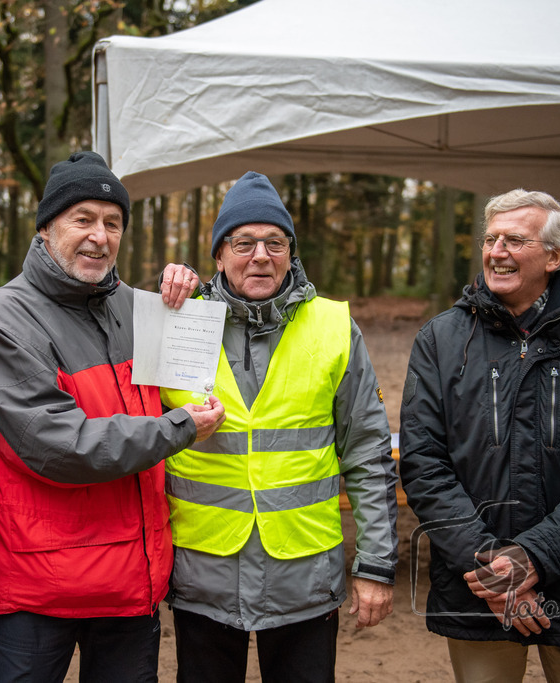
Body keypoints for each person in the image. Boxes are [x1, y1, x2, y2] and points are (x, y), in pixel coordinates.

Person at [0, 151, 225, 682]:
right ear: (46, 229)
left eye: (112, 223)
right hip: (36, 588)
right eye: (82, 219)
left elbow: (191, 377)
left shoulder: (137, 308)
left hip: (131, 583)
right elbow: (56, 444)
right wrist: (180, 428)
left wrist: (192, 293)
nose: (99, 236)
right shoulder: (8, 313)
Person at [398, 189, 560, 682]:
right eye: (490, 239)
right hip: (479, 585)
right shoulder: (441, 339)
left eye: (515, 240)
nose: (497, 251)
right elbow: (424, 464)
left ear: (556, 257)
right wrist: (495, 570)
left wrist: (537, 556)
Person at [157, 171, 399, 682]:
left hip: (304, 578)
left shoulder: (334, 327)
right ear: (219, 256)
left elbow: (368, 452)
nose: (260, 256)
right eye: (243, 243)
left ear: (291, 253)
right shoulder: (175, 323)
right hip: (203, 575)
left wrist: (376, 564)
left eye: (275, 242)